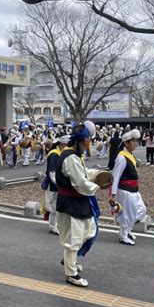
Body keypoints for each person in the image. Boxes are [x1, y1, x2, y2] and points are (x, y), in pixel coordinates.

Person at [56, 121, 99, 288]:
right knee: (74, 237)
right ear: (83, 140)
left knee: (87, 231)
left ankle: (69, 259)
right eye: (89, 139)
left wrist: (96, 174)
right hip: (72, 201)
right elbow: (80, 182)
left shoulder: (73, 155)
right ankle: (71, 273)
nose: (91, 142)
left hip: (76, 200)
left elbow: (82, 174)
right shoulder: (71, 157)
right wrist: (97, 186)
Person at [109, 129, 147, 246]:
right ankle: (123, 235)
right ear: (126, 143)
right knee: (128, 213)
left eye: (136, 141)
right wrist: (113, 194)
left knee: (141, 210)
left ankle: (127, 228)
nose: (135, 143)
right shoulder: (121, 157)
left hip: (134, 189)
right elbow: (115, 176)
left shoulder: (130, 155)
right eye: (133, 141)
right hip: (125, 190)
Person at [44, 135, 70, 235]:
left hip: (58, 183)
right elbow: (52, 172)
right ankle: (53, 226)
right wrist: (58, 183)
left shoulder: (60, 153)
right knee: (53, 206)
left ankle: (56, 225)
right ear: (62, 144)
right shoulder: (54, 154)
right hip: (53, 184)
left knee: (57, 205)